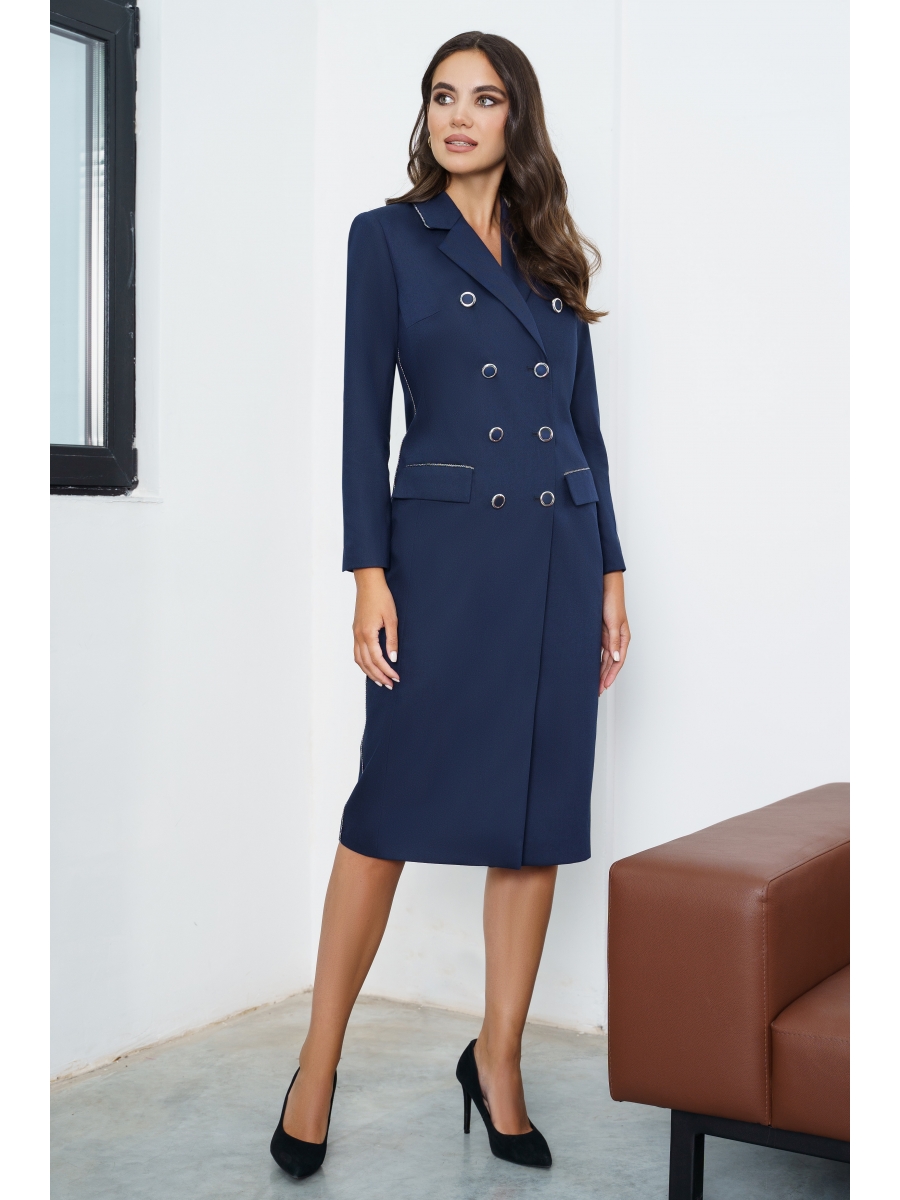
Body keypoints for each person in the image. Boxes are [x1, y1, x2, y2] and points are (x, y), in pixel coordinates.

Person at [270, 29, 629, 1180]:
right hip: (440, 563)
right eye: (442, 96)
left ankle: (499, 1061)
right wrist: (367, 574)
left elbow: (582, 432)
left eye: (483, 98)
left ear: (517, 118)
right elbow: (358, 421)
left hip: (556, 557)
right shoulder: (386, 238)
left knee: (533, 821)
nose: (459, 116)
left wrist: (611, 570)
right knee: (383, 813)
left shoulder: (554, 253)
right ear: (425, 115)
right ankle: (317, 1064)